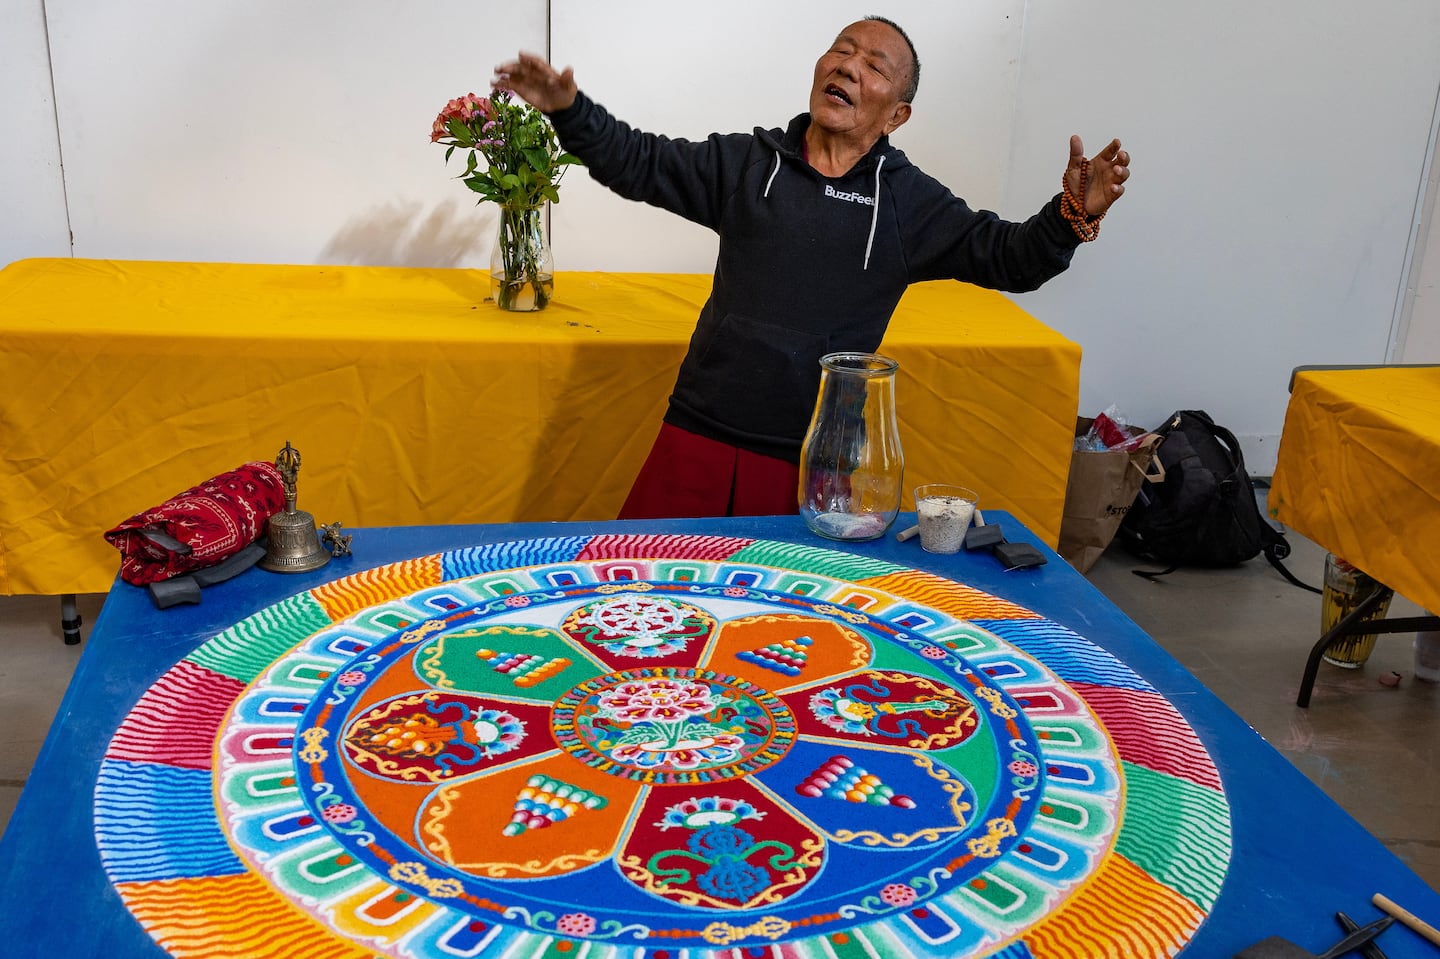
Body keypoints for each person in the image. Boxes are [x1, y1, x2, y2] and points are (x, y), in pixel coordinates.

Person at [495, 16, 1129, 520]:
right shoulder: (748, 163)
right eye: (841, 51)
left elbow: (1010, 257)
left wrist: (1072, 212)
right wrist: (568, 110)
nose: (849, 65)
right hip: (699, 430)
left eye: (874, 66)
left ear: (897, 115)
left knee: (785, 638)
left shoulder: (908, 203)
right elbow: (640, 161)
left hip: (816, 457)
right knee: (648, 612)